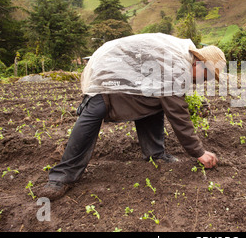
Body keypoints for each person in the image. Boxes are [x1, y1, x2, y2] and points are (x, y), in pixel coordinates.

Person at [39, 33, 226, 200]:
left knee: (154, 100)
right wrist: (199, 152)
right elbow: (178, 114)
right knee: (96, 110)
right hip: (109, 67)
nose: (205, 81)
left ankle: (155, 153)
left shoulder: (181, 58)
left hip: (128, 69)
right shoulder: (177, 65)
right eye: (208, 75)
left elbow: (164, 97)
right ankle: (61, 177)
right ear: (200, 63)